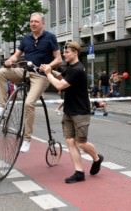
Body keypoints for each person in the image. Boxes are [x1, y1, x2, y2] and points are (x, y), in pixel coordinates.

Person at [0, 12, 62, 153]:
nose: (33, 24)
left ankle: (27, 139)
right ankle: (2, 107)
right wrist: (10, 60)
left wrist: (49, 66)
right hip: (25, 72)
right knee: (1, 72)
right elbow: (16, 55)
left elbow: (59, 59)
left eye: (36, 21)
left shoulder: (50, 38)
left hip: (40, 76)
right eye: (31, 21)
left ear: (42, 23)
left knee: (29, 103)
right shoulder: (26, 39)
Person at [40, 41, 103, 184]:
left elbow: (60, 85)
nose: (64, 54)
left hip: (80, 111)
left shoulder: (78, 69)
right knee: (70, 141)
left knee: (81, 143)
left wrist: (48, 74)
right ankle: (79, 172)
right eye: (64, 51)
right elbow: (63, 76)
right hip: (68, 110)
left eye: (67, 52)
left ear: (75, 52)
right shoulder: (70, 67)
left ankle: (97, 158)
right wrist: (49, 69)